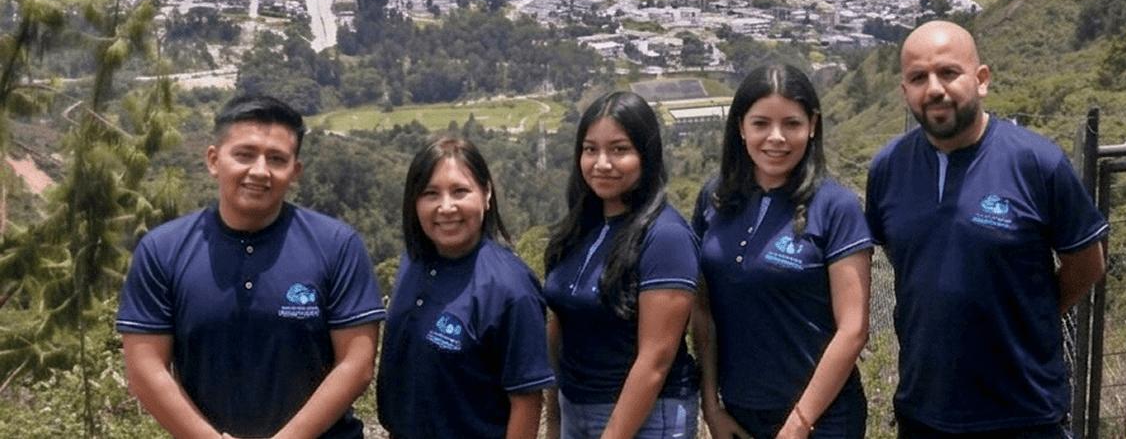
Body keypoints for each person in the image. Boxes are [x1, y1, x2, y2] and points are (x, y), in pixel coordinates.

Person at [864, 21, 1109, 439]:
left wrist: (1031, 315)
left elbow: (1087, 263)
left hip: (1024, 412)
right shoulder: (887, 169)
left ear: (981, 80)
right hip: (924, 411)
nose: (934, 89)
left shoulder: (1037, 163)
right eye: (918, 78)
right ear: (905, 91)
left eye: (949, 72)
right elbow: (902, 254)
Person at [116, 94, 385, 439]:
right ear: (214, 160)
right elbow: (145, 369)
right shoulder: (162, 250)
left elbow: (356, 365)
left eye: (277, 159)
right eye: (244, 155)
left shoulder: (336, 245)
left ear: (295, 171)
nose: (260, 171)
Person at [690, 65, 872, 439]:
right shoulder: (715, 198)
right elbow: (702, 311)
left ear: (813, 125)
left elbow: (853, 329)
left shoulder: (835, 207)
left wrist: (797, 426)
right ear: (740, 126)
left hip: (822, 420)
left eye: (791, 124)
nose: (776, 138)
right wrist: (712, 407)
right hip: (738, 414)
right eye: (761, 124)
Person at [542, 91, 701, 439]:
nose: (602, 163)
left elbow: (656, 360)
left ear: (646, 155)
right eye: (590, 149)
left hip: (646, 416)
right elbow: (560, 326)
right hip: (575, 408)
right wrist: (553, 419)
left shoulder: (666, 237)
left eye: (619, 150)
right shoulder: (578, 230)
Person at [377, 133, 555, 439]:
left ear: (486, 195)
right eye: (431, 193)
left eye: (460, 191)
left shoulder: (511, 288)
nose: (446, 207)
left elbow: (525, 402)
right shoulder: (413, 262)